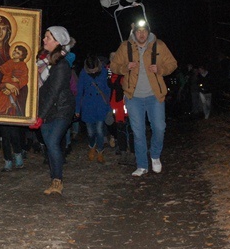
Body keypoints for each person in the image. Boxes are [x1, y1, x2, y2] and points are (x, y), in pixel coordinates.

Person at [109, 19, 177, 176]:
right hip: (134, 97)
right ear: (134, 33)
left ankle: (155, 155)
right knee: (138, 132)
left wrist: (160, 69)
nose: (141, 34)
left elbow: (172, 64)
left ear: (148, 31)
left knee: (159, 128)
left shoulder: (158, 45)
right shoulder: (125, 47)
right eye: (138, 31)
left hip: (155, 96)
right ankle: (142, 165)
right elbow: (113, 66)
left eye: (144, 31)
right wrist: (124, 67)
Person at [30, 26, 76, 195]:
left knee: (52, 143)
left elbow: (53, 93)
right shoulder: (42, 62)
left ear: (57, 42)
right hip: (46, 109)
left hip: (61, 110)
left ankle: (57, 181)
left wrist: (39, 116)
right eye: (45, 36)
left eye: (48, 37)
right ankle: (54, 176)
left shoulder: (61, 65)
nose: (44, 40)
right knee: (49, 145)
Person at [75, 54, 111, 163]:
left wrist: (109, 106)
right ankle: (92, 146)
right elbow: (79, 92)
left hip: (101, 105)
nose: (93, 72)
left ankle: (100, 151)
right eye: (91, 70)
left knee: (100, 131)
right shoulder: (83, 73)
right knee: (90, 132)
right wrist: (77, 109)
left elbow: (107, 90)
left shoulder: (104, 72)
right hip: (88, 106)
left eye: (95, 69)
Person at [0, 44, 29, 115]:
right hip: (5, 83)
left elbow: (25, 78)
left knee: (5, 95)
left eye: (18, 53)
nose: (14, 53)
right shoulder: (10, 62)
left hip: (14, 84)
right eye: (15, 51)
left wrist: (18, 80)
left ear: (21, 56)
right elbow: (2, 68)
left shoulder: (23, 65)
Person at [108, 52, 134, 165]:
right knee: (120, 129)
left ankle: (133, 153)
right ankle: (123, 151)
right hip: (117, 104)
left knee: (131, 129)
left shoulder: (126, 71)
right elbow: (111, 85)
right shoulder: (111, 72)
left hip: (127, 103)